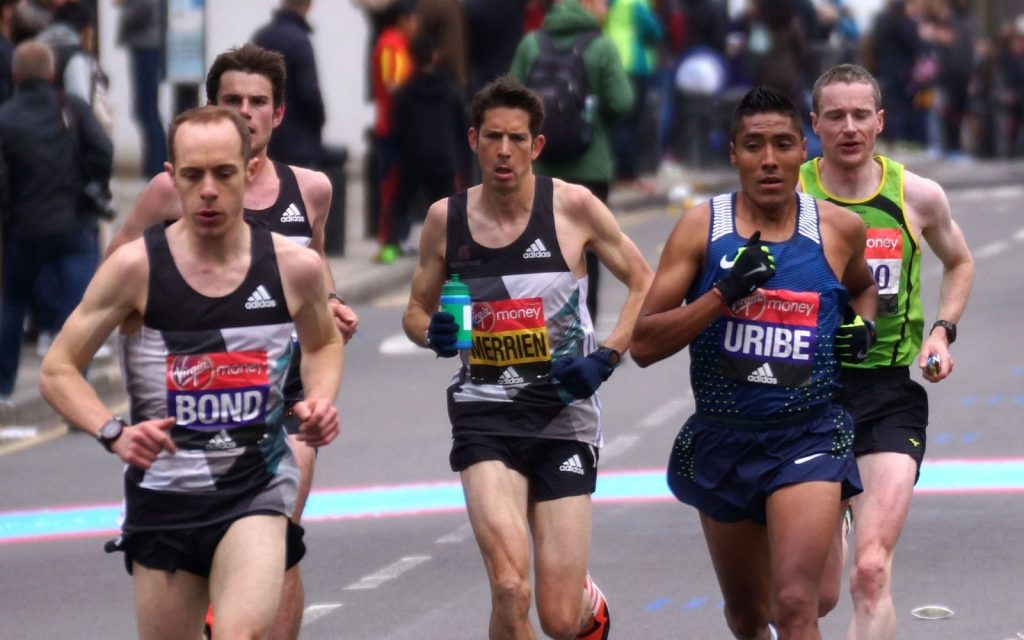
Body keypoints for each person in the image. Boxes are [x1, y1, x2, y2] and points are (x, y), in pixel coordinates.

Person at [38, 105, 344, 640]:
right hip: (166, 498)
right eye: (192, 175)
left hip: (256, 485)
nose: (208, 190)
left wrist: (318, 399)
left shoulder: (294, 268)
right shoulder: (137, 268)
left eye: (223, 173)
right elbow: (59, 369)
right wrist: (113, 432)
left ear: (248, 172)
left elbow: (322, 342)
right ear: (170, 176)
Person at [104, 43, 358, 640]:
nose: (245, 112)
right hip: (195, 409)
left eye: (257, 102)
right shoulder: (172, 192)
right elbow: (117, 270)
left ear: (279, 114)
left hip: (284, 400)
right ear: (210, 112)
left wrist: (334, 304)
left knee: (278, 527)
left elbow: (315, 271)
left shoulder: (311, 189)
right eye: (231, 101)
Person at [402, 75, 652, 639]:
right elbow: (415, 312)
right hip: (485, 415)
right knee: (511, 587)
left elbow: (643, 280)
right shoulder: (448, 219)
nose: (504, 151)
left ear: (537, 146)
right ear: (473, 139)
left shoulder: (574, 207)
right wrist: (434, 332)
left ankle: (588, 603)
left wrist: (606, 356)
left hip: (564, 415)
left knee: (560, 618)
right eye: (493, 137)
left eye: (517, 138)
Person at [631, 85, 877, 640]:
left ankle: (822, 522)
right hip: (724, 439)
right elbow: (644, 344)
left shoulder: (837, 229)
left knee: (796, 607)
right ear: (734, 154)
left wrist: (861, 329)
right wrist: (721, 295)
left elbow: (863, 291)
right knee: (748, 616)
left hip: (807, 435)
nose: (769, 160)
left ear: (804, 151)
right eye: (754, 145)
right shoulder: (701, 228)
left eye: (783, 144)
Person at [800, 63, 975, 640]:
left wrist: (940, 332)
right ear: (815, 125)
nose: (849, 128)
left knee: (871, 570)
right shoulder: (792, 195)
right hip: (808, 399)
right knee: (815, 593)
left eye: (859, 116)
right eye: (835, 116)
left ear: (879, 122)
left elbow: (960, 261)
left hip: (887, 396)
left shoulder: (917, 196)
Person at [509, 0, 634, 324]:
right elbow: (621, 100)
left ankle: (535, 329)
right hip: (588, 168)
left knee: (535, 251)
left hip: (538, 167)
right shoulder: (601, 47)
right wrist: (592, 122)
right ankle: (584, 331)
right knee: (589, 251)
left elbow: (510, 99)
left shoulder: (531, 43)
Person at [0, 40, 110, 399]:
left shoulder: (6, 116)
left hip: (24, 229)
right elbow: (103, 149)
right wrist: (94, 185)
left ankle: (4, 384)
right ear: (51, 73)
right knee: (79, 309)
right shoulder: (72, 106)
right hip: (74, 224)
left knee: (13, 302)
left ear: (15, 75)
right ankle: (79, 386)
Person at [391, 34, 466, 251]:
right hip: (443, 159)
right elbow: (460, 126)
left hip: (412, 159)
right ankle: (450, 247)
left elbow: (398, 129)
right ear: (434, 57)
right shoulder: (451, 90)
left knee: (401, 203)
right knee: (448, 209)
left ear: (412, 58)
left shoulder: (404, 92)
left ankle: (395, 243)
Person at [252, 0, 325, 169]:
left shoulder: (262, 36)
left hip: (267, 138)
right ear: (308, 5)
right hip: (298, 143)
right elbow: (309, 93)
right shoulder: (300, 41)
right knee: (297, 192)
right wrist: (319, 122)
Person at [115, 0, 166, 178]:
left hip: (146, 45)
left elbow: (142, 7)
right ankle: (153, 165)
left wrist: (124, 10)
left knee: (146, 110)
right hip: (145, 44)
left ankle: (156, 166)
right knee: (145, 110)